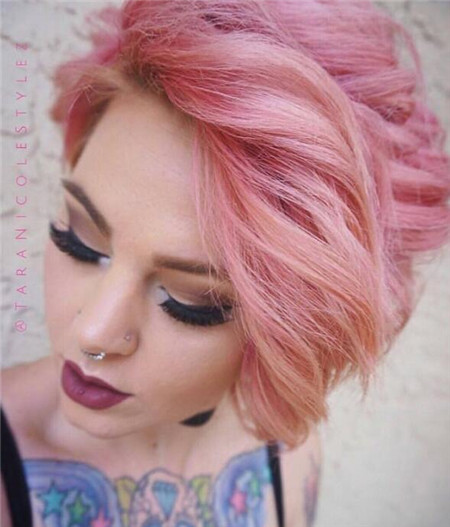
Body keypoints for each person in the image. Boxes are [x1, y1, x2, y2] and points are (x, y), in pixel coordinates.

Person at [1, 1, 448, 526]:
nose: (94, 333)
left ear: (289, 331)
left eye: (189, 302)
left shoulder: (285, 458)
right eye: (78, 241)